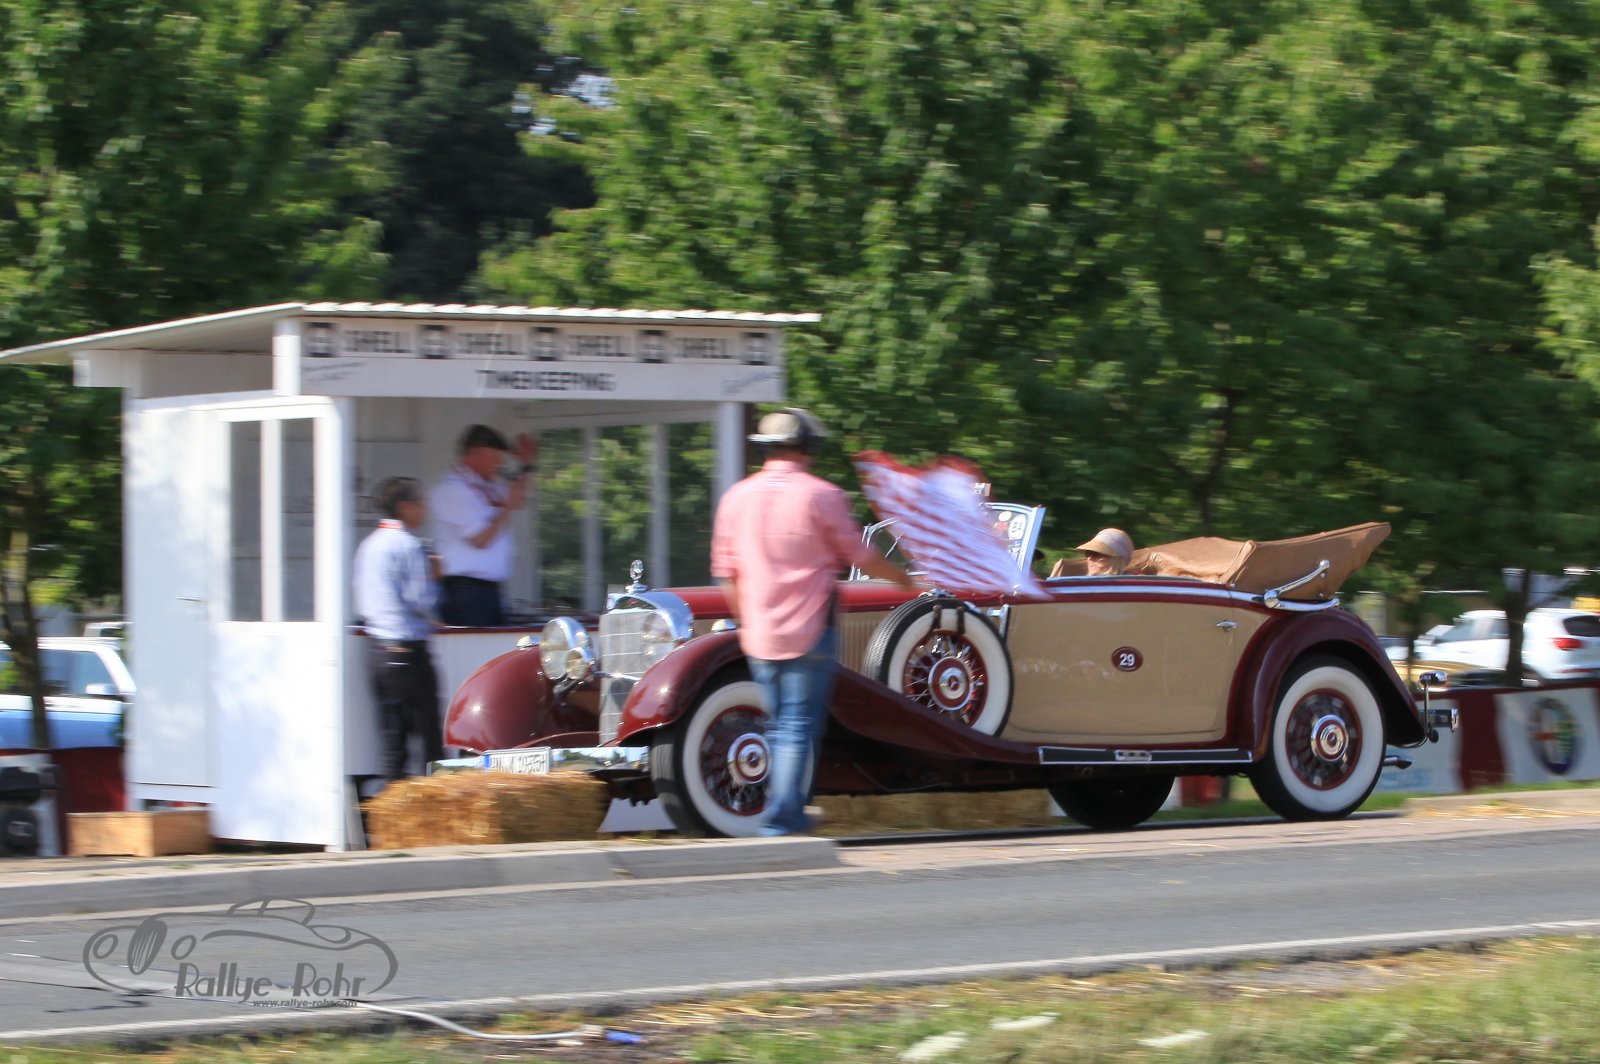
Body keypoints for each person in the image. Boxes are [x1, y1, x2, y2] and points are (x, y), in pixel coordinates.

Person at [711, 408, 916, 836]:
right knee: (797, 725)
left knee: (777, 723)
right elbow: (859, 556)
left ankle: (784, 810)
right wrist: (903, 579)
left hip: (760, 633)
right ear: (807, 447)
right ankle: (783, 817)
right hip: (810, 628)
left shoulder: (736, 498)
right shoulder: (822, 495)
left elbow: (726, 572)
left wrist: (746, 621)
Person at [353, 477, 443, 781]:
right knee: (430, 740)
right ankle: (436, 804)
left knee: (393, 744)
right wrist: (436, 576)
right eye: (420, 502)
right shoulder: (409, 545)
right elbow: (422, 600)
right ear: (404, 506)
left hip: (378, 650)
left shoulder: (369, 545)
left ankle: (393, 805)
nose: (424, 509)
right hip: (409, 653)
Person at [429, 424, 537, 626]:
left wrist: (526, 465)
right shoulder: (452, 490)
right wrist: (507, 508)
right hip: (464, 593)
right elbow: (480, 539)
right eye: (495, 457)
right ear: (475, 454)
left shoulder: (486, 485)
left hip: (488, 592)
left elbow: (519, 499)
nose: (499, 464)